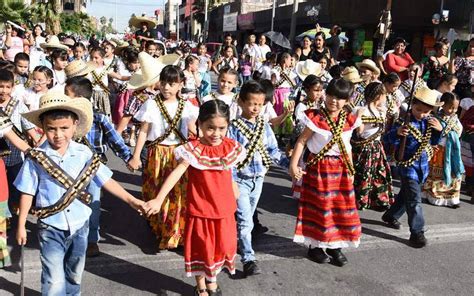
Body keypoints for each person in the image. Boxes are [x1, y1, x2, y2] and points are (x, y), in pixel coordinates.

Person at [14, 91, 144, 295]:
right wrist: (21, 224)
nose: (58, 135)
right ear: (42, 128)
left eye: (64, 128)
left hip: (80, 224)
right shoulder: (36, 158)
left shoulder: (84, 153)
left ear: (75, 125)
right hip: (50, 225)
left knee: (74, 274)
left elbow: (104, 179)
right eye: (51, 129)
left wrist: (131, 199)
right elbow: (27, 192)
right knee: (54, 280)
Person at [142, 100, 245, 295]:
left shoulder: (230, 147)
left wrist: (234, 187)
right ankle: (202, 287)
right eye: (210, 128)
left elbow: (228, 170)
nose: (216, 134)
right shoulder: (193, 149)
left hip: (224, 210)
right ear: (200, 125)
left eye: (221, 128)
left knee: (221, 247)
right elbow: (176, 173)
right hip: (201, 211)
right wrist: (158, 199)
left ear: (228, 126)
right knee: (201, 249)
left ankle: (212, 280)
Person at [290, 78, 363, 266]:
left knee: (340, 208)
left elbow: (347, 147)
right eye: (331, 95)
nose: (334, 101)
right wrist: (294, 165)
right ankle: (315, 246)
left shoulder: (349, 119)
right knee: (320, 207)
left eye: (339, 98)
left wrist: (351, 169)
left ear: (347, 100)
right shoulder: (316, 117)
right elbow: (302, 141)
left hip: (341, 170)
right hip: (319, 169)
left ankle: (334, 246)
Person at [128, 65, 198, 250]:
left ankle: (175, 233)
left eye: (172, 83)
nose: (167, 87)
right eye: (164, 82)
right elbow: (144, 131)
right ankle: (159, 227)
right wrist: (135, 156)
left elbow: (193, 129)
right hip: (157, 153)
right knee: (156, 190)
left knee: (178, 194)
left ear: (180, 85)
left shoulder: (187, 106)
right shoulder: (151, 104)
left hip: (180, 155)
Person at [65, 77, 133, 256]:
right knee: (71, 202)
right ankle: (73, 237)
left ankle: (92, 240)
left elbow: (114, 139)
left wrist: (128, 157)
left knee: (93, 205)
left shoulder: (98, 117)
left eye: (68, 94)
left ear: (79, 98)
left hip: (94, 168)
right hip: (71, 168)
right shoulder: (66, 117)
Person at [228, 80, 289, 276]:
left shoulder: (264, 126)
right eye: (251, 103)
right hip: (240, 179)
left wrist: (291, 165)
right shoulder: (233, 127)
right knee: (245, 220)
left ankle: (236, 242)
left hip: (258, 179)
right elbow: (228, 157)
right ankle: (248, 259)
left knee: (247, 220)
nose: (255, 108)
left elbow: (273, 151)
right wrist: (232, 181)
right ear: (241, 102)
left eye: (260, 104)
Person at [381, 86, 443, 248]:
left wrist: (439, 131)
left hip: (422, 166)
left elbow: (434, 142)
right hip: (407, 167)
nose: (421, 114)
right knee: (415, 199)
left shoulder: (430, 123)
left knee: (406, 194)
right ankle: (417, 232)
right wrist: (398, 133)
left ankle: (391, 215)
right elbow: (387, 139)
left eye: (426, 111)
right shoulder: (403, 121)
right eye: (418, 109)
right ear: (412, 105)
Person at [0, 69, 40, 217]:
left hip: (15, 157)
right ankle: (5, 218)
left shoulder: (18, 106)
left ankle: (11, 213)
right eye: (0, 86)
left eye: (7, 87)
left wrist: (38, 147)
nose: (3, 90)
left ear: (12, 87)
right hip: (0, 161)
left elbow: (30, 129)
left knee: (15, 188)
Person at [352, 82, 393, 210]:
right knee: (363, 173)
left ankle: (377, 199)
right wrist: (358, 116)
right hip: (364, 147)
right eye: (384, 95)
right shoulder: (361, 110)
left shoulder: (381, 111)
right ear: (378, 96)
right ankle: (360, 199)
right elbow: (359, 132)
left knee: (377, 173)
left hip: (376, 147)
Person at [422, 92, 464, 207]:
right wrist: (442, 130)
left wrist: (444, 129)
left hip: (451, 152)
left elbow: (459, 132)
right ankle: (434, 197)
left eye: (455, 108)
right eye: (450, 107)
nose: (453, 110)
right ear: (443, 105)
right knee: (436, 175)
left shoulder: (455, 120)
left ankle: (452, 199)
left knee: (453, 176)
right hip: (438, 150)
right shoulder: (436, 118)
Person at [290, 75, 324, 200]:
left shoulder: (322, 105)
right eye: (316, 90)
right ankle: (303, 194)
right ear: (307, 90)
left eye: (320, 90)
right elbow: (300, 127)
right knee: (303, 166)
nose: (319, 93)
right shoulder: (302, 107)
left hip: (318, 142)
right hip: (305, 142)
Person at [88, 47, 112, 116]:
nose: (93, 60)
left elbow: (120, 77)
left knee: (104, 114)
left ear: (102, 58)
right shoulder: (88, 69)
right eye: (91, 57)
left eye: (96, 58)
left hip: (103, 95)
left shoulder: (106, 69)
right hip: (92, 94)